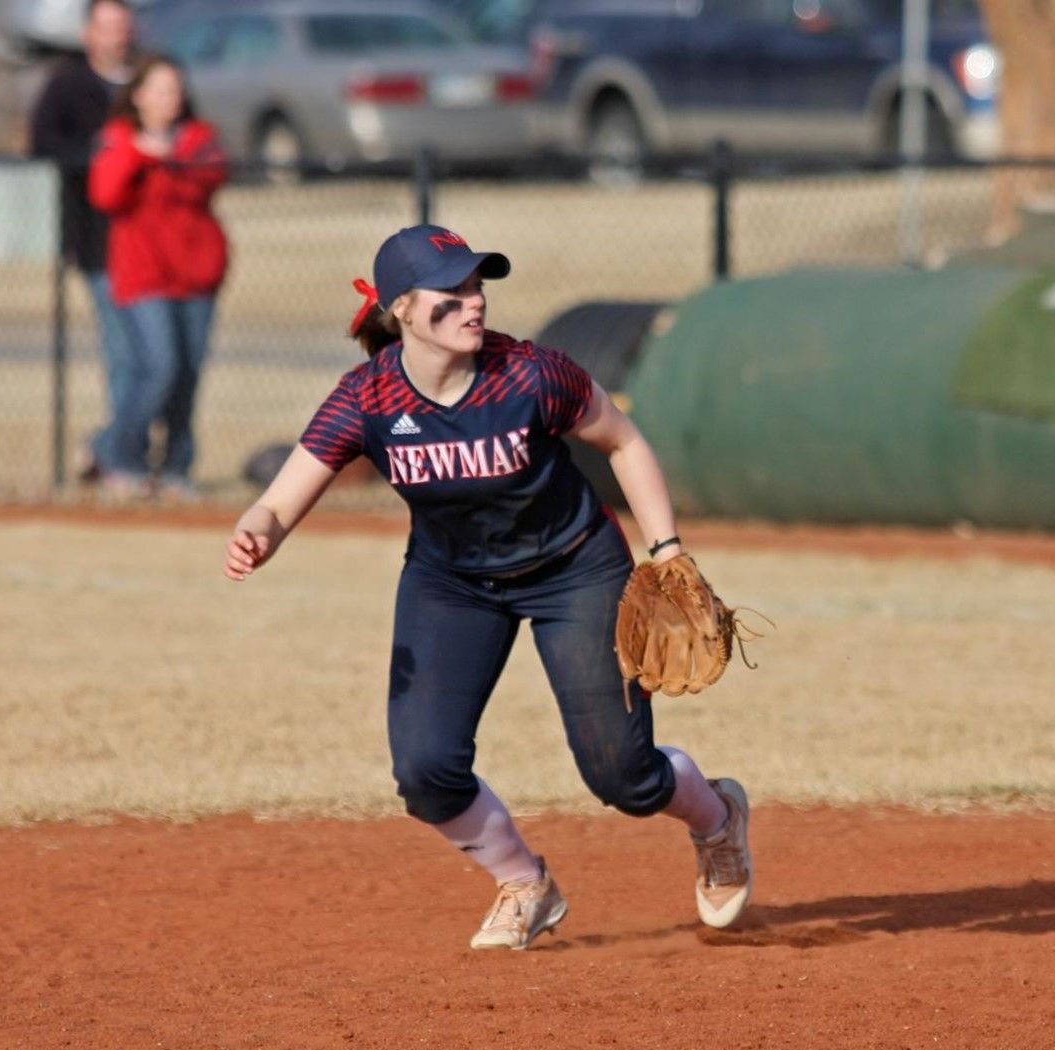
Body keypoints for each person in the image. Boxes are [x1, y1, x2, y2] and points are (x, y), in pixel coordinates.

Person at [223, 225, 753, 950]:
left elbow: (623, 441)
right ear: (402, 309)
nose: (473, 302)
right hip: (452, 584)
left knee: (623, 776)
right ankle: (524, 882)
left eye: (476, 286)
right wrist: (258, 532)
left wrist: (667, 551)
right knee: (425, 771)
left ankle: (717, 818)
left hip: (574, 569)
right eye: (451, 292)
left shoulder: (531, 375)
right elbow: (280, 501)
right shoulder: (368, 397)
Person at [87, 54, 229, 498]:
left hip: (197, 273)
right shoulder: (117, 140)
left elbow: (210, 177)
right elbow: (106, 194)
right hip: (144, 274)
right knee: (158, 367)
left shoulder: (199, 140)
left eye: (176, 89)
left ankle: (175, 469)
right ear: (139, 96)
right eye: (161, 89)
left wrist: (170, 159)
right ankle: (117, 455)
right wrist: (140, 154)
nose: (171, 98)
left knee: (188, 375)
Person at [28, 0, 138, 488]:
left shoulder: (150, 78)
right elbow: (42, 143)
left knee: (160, 363)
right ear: (87, 33)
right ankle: (120, 458)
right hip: (99, 243)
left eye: (123, 26)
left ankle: (110, 448)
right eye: (106, 27)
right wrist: (97, 158)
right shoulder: (68, 83)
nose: (116, 36)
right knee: (125, 356)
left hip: (153, 244)